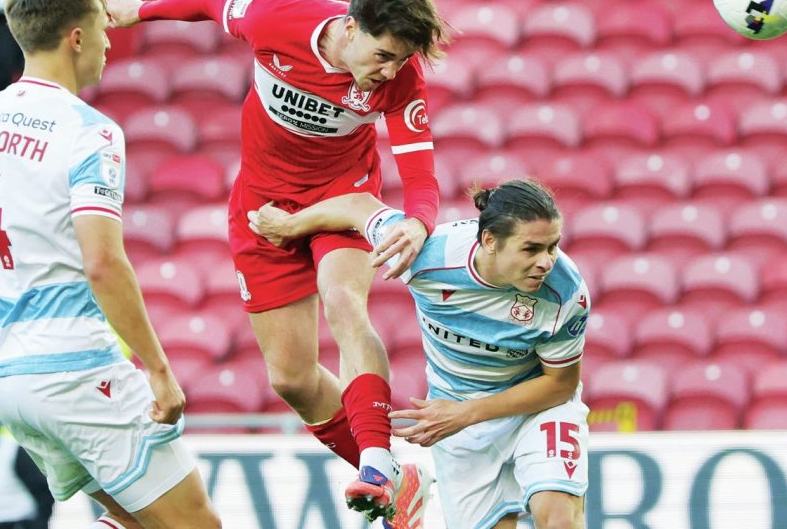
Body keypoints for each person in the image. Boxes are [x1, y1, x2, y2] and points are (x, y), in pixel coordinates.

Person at [106, 0, 449, 526]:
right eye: (384, 54)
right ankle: (404, 479)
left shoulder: (400, 79)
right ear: (350, 26)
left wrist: (418, 223)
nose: (391, 69)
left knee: (343, 300)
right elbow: (207, 0)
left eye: (402, 58)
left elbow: (422, 179)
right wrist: (139, 11)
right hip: (263, 211)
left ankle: (380, 463)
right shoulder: (277, 17)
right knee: (290, 378)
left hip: (342, 201)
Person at [0, 0, 220, 528]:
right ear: (76, 38)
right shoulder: (88, 131)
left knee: (136, 520)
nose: (108, 42)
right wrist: (158, 368)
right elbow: (103, 263)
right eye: (103, 28)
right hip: (77, 369)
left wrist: (3, 325)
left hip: (7, 375)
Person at [249, 179, 591, 529]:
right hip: (456, 416)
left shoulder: (566, 293)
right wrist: (291, 225)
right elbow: (355, 205)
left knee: (560, 517)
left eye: (553, 246)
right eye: (531, 249)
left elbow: (560, 386)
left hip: (532, 407)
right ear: (489, 241)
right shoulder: (428, 255)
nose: (547, 262)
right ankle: (413, 494)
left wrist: (466, 413)